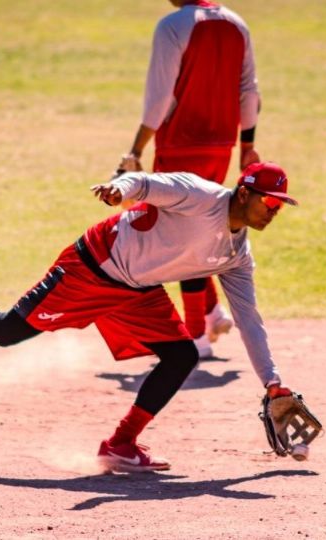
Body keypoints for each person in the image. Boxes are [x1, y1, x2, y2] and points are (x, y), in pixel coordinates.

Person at [0, 162, 297, 473]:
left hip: (137, 290)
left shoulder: (237, 257)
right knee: (5, 331)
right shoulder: (201, 195)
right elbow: (145, 183)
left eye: (280, 206)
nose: (273, 211)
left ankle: (120, 445)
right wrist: (119, 190)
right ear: (245, 191)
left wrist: (272, 382)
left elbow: (249, 319)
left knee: (181, 355)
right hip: (93, 266)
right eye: (269, 202)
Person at [116, 0, 262, 358]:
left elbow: (159, 99)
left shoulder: (172, 26)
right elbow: (250, 92)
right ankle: (211, 314)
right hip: (222, 144)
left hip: (180, 142)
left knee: (181, 234)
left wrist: (135, 150)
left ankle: (195, 335)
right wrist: (247, 147)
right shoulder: (236, 23)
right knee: (201, 222)